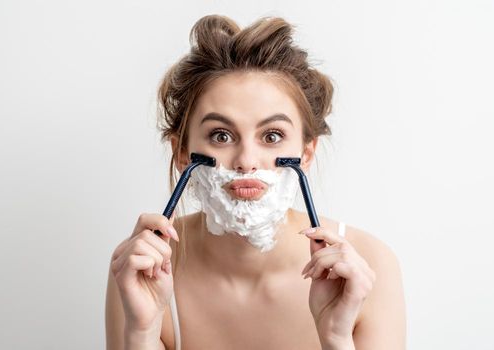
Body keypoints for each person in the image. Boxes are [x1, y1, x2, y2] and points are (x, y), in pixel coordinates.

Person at [105, 14, 406, 350]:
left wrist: (337, 338)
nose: (247, 161)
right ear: (183, 152)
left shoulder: (368, 266)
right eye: (221, 135)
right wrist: (141, 331)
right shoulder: (145, 267)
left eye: (272, 135)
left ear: (306, 154)